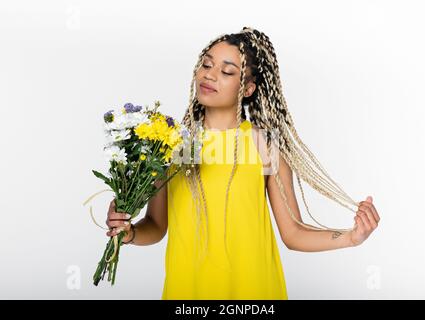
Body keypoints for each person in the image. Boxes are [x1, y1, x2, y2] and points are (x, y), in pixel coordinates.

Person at [105, 27, 380, 300]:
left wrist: (350, 237)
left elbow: (294, 233)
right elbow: (156, 225)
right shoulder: (175, 145)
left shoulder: (263, 145)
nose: (209, 74)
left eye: (226, 71)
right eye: (206, 64)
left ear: (248, 88)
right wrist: (128, 233)